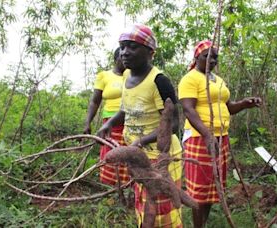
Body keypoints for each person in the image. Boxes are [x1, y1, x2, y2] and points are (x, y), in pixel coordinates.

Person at [97, 24, 183, 227]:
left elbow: (173, 124)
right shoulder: (127, 76)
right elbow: (125, 109)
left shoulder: (159, 81)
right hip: (137, 156)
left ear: (150, 52)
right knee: (144, 208)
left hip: (160, 157)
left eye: (132, 47)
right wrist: (109, 123)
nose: (125, 52)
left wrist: (142, 141)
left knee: (162, 212)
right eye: (123, 46)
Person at [178, 40, 262, 228]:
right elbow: (189, 110)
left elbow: (228, 107)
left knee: (210, 186)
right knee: (199, 188)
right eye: (207, 56)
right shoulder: (190, 78)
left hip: (220, 138)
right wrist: (207, 135)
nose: (212, 60)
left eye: (215, 56)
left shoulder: (218, 80)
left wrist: (244, 104)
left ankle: (203, 223)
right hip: (200, 138)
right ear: (197, 57)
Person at [83, 47, 129, 186]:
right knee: (112, 155)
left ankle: (129, 186)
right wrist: (87, 123)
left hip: (131, 121)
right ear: (116, 59)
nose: (126, 60)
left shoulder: (134, 75)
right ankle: (111, 189)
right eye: (122, 57)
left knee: (129, 155)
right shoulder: (104, 76)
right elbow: (95, 101)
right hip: (110, 123)